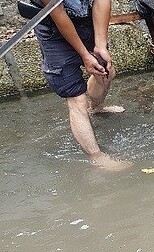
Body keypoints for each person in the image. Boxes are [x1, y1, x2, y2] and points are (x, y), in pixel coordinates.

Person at [33, 0, 130, 170]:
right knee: (76, 98)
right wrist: (85, 55)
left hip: (85, 19)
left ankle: (97, 108)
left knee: (105, 71)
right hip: (53, 27)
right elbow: (58, 13)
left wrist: (100, 45)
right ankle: (96, 158)